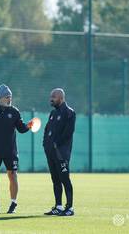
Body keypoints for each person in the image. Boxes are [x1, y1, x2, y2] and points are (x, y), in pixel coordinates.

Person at [0, 84, 34, 214]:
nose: (9, 99)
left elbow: (21, 128)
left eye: (10, 96)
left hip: (11, 151)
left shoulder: (14, 111)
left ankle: (13, 203)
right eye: (7, 97)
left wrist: (29, 126)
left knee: (13, 175)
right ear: (0, 98)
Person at [43, 88, 76, 216]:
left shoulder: (69, 113)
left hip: (61, 153)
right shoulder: (53, 113)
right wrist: (46, 144)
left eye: (54, 96)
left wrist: (57, 145)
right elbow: (47, 130)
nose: (51, 99)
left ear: (61, 98)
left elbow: (68, 133)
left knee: (64, 179)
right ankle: (58, 206)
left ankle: (70, 208)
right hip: (50, 152)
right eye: (51, 96)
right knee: (55, 179)